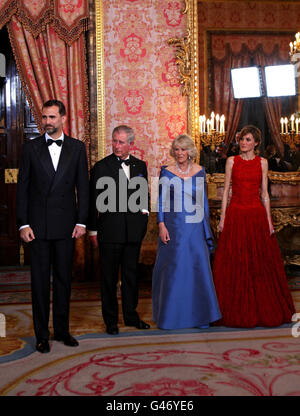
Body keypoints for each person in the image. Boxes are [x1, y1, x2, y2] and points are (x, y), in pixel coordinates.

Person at [16, 99, 89, 353]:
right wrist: (23, 224)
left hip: (66, 227)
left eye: (52, 117)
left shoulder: (78, 148)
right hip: (37, 228)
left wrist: (82, 221)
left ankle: (62, 330)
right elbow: (22, 189)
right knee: (38, 283)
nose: (47, 122)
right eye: (44, 117)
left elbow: (84, 188)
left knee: (63, 281)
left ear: (63, 118)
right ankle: (41, 335)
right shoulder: (30, 148)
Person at [213, 125, 295, 328]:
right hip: (236, 214)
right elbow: (226, 192)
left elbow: (264, 194)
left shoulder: (263, 163)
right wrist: (223, 217)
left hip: (257, 215)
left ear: (256, 143)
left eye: (248, 139)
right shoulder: (232, 161)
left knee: (259, 263)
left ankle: (261, 308)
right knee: (235, 261)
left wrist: (268, 220)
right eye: (241, 139)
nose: (243, 142)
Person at [152, 134, 221, 329]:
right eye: (176, 149)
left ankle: (200, 316)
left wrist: (206, 230)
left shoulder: (200, 172)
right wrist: (161, 225)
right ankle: (171, 317)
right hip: (173, 227)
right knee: (175, 270)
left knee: (197, 269)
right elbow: (161, 201)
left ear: (190, 151)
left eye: (183, 149)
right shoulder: (166, 172)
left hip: (195, 227)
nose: (180, 153)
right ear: (173, 152)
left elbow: (203, 203)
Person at [89, 125, 150, 335]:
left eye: (121, 142)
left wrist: (144, 219)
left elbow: (144, 197)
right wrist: (93, 231)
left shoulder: (140, 165)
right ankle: (111, 321)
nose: (116, 145)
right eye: (114, 141)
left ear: (130, 143)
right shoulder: (101, 167)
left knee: (131, 277)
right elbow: (91, 202)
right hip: (109, 231)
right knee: (108, 278)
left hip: (133, 232)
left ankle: (131, 317)